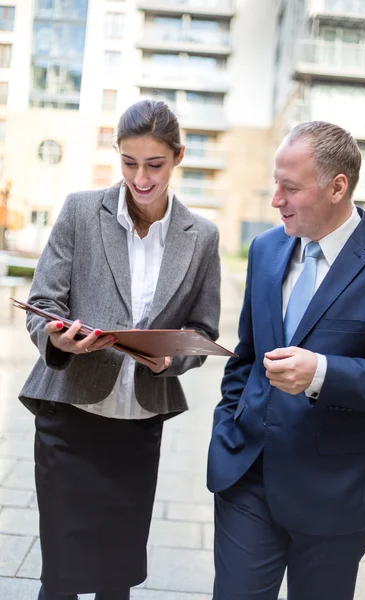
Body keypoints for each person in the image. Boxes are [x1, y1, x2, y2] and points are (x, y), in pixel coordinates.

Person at [19, 99, 220, 600]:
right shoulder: (81, 211)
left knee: (118, 576)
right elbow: (42, 302)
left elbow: (202, 327)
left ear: (178, 156)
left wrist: (174, 360)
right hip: (70, 415)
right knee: (60, 575)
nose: (141, 177)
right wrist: (56, 338)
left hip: (138, 424)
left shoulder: (201, 238)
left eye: (154, 164)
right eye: (129, 162)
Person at [207, 121, 365, 600]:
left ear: (338, 187)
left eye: (289, 188)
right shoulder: (266, 249)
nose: (276, 200)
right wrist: (228, 423)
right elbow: (246, 358)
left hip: (338, 491)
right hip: (247, 474)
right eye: (276, 184)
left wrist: (324, 374)